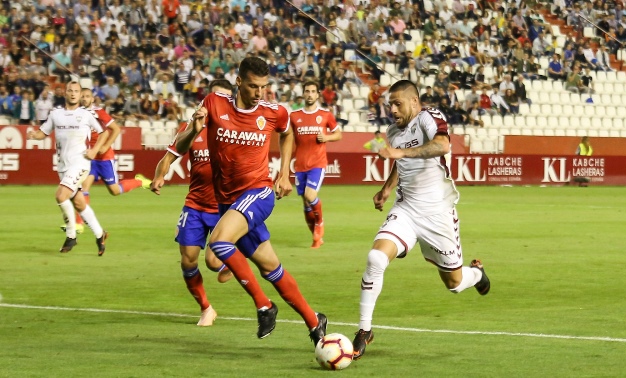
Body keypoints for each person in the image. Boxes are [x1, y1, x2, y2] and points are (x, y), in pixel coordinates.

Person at [177, 57, 327, 345]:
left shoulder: (273, 112)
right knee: (271, 267)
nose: (260, 92)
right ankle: (313, 320)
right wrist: (193, 131)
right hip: (229, 202)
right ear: (238, 82)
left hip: (258, 193)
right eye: (253, 86)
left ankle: (264, 305)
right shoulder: (213, 104)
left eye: (264, 86)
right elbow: (183, 145)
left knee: (219, 243)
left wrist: (284, 173)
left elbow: (287, 133)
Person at [352, 80, 491, 359]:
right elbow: (400, 163)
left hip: (438, 214)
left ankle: (476, 274)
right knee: (376, 259)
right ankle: (364, 330)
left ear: (414, 102)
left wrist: (400, 152)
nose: (391, 109)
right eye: (389, 104)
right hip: (406, 209)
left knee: (453, 283)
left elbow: (442, 145)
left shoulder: (430, 117)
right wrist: (386, 189)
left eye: (397, 103)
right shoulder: (393, 130)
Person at [150, 80, 235, 327]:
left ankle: (234, 254)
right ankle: (206, 308)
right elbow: (169, 156)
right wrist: (159, 175)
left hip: (223, 206)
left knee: (212, 262)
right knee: (188, 260)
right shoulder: (192, 128)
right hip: (195, 205)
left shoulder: (234, 130)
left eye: (225, 98)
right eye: (216, 97)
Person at [27, 81, 109, 255]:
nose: (73, 94)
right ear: (65, 93)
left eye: (76, 91)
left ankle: (71, 235)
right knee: (78, 202)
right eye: (70, 91)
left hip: (80, 163)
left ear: (80, 95)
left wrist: (95, 150)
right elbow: (44, 132)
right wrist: (35, 135)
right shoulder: (56, 114)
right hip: (63, 166)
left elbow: (104, 132)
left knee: (60, 195)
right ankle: (100, 234)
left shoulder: (86, 115)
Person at [61, 88, 152, 234]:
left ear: (92, 99)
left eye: (87, 96)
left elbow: (115, 129)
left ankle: (139, 182)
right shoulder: (77, 113)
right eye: (82, 96)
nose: (84, 99)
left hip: (104, 158)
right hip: (89, 158)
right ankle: (79, 224)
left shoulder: (99, 112)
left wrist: (105, 146)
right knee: (83, 189)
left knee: (114, 191)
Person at [290, 80, 342, 249]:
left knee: (310, 195)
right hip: (300, 166)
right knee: (305, 203)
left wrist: (326, 138)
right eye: (307, 91)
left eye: (313, 91)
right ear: (303, 93)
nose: (310, 94)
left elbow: (338, 134)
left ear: (318, 94)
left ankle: (320, 222)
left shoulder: (325, 114)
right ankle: (316, 237)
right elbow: (288, 137)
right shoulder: (294, 116)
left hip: (317, 164)